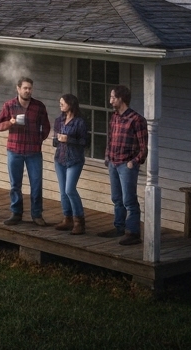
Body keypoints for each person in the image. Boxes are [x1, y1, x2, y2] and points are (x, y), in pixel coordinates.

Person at [0, 77, 51, 226]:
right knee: (15, 184)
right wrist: (10, 123)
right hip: (15, 149)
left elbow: (46, 126)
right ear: (18, 89)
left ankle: (37, 214)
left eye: (30, 88)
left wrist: (40, 139)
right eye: (25, 88)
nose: (28, 91)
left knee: (36, 183)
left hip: (33, 151)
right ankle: (16, 213)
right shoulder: (9, 105)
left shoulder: (39, 107)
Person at [97, 84, 147, 245]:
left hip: (126, 164)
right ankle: (119, 227)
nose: (110, 100)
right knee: (116, 198)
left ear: (121, 99)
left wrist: (134, 162)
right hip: (113, 162)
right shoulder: (114, 117)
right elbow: (110, 138)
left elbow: (144, 147)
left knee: (129, 199)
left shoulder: (136, 120)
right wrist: (107, 156)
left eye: (113, 97)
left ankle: (133, 232)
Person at [52, 94, 90, 234]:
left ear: (71, 104)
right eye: (60, 102)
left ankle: (79, 221)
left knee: (70, 190)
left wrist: (69, 139)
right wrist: (56, 139)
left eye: (63, 103)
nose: (60, 105)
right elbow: (55, 142)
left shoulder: (80, 122)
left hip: (74, 160)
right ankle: (67, 219)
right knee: (63, 192)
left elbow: (85, 143)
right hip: (60, 159)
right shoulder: (59, 120)